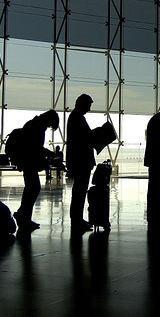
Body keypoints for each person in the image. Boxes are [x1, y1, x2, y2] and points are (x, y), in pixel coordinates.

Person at [14, 110, 60, 231]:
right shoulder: (37, 127)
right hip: (29, 162)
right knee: (33, 187)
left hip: (26, 161)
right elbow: (35, 148)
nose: (49, 127)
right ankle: (23, 215)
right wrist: (49, 154)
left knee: (32, 188)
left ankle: (24, 215)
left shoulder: (34, 124)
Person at [67, 94, 96, 233]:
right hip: (82, 160)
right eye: (88, 106)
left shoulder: (75, 117)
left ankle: (77, 218)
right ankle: (76, 219)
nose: (89, 109)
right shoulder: (77, 118)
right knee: (80, 191)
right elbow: (82, 139)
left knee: (79, 191)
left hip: (80, 160)